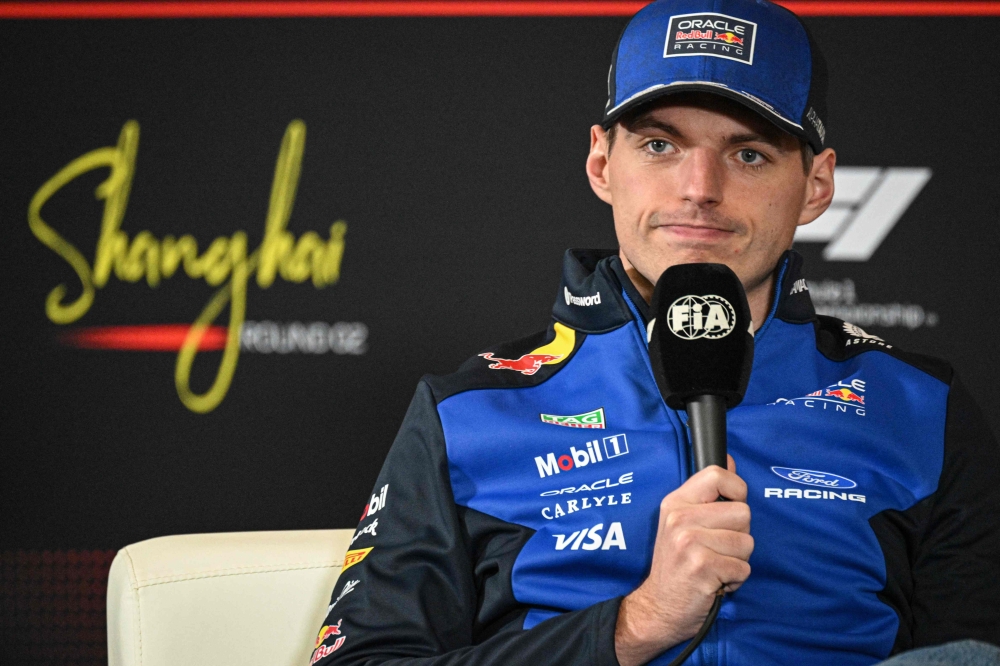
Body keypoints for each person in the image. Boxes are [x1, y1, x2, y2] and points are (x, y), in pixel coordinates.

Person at [311, 0, 1000, 663]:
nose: (699, 187)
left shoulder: (919, 406)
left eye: (749, 154)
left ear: (817, 185)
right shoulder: (468, 413)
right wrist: (637, 624)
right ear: (602, 163)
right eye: (660, 145)